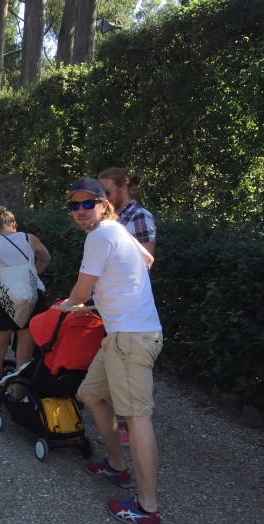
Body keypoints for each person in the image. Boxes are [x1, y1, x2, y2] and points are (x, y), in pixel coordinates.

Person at [56, 177, 163, 524]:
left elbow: (80, 293)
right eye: (74, 205)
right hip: (124, 334)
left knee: (137, 417)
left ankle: (147, 509)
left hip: (130, 337)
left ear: (105, 204)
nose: (81, 211)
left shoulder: (100, 236)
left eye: (89, 203)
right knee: (89, 394)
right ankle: (117, 466)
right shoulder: (118, 230)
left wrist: (66, 305)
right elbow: (147, 259)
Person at [98, 167, 157, 446]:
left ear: (124, 187)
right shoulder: (114, 217)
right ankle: (123, 421)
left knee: (130, 373)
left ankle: (129, 426)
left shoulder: (139, 217)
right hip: (114, 308)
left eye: (107, 192)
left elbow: (145, 264)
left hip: (129, 312)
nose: (103, 198)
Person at [0, 206, 50, 409]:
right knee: (24, 355)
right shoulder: (29, 239)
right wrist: (31, 277)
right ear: (15, 225)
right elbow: (46, 258)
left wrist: (0, 291)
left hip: (3, 303)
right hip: (31, 300)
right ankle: (17, 399)